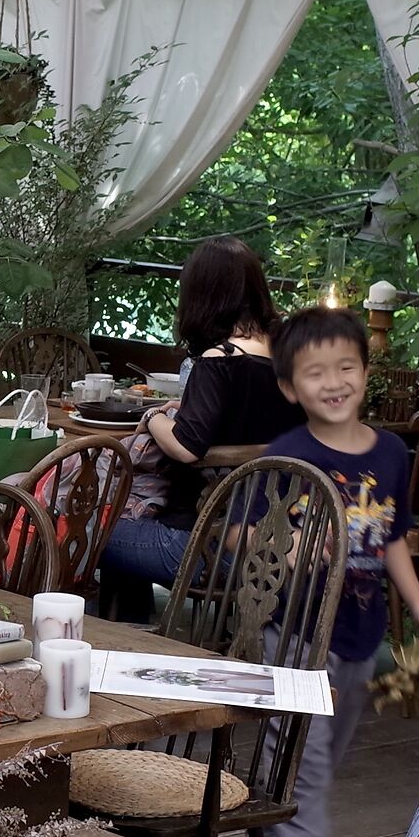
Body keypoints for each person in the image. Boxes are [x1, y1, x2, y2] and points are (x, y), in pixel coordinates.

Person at [257, 306, 419, 837]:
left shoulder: (390, 452)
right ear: (290, 388)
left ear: (366, 373)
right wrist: (287, 551)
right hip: (294, 634)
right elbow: (243, 532)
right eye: (315, 372)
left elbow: (393, 536)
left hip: (360, 632)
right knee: (305, 764)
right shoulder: (285, 454)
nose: (334, 381)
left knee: (321, 759)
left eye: (346, 366)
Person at [104, 236, 301, 593]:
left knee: (84, 519)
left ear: (203, 295)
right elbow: (250, 417)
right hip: (270, 546)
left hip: (200, 547)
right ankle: (134, 623)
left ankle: (110, 629)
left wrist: (153, 419)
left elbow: (187, 446)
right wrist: (189, 409)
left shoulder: (219, 360)